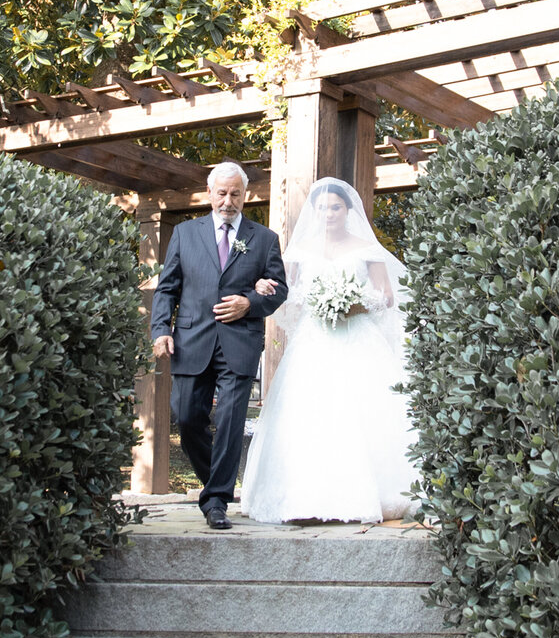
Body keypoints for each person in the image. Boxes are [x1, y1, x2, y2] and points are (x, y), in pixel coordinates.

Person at [239, 177, 416, 524]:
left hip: (357, 338)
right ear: (315, 212)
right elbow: (283, 292)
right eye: (322, 207)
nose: (329, 213)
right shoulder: (300, 251)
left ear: (347, 210)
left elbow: (386, 296)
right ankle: (304, 498)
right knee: (310, 412)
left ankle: (366, 494)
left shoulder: (366, 248)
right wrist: (267, 286)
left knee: (362, 409)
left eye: (335, 207)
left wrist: (356, 304)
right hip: (314, 341)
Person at [150, 161, 288, 530]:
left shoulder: (265, 239)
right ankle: (217, 482)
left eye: (235, 194)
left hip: (239, 342)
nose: (228, 201)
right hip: (191, 339)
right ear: (209, 194)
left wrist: (250, 303)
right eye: (222, 193)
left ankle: (216, 502)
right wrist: (161, 329)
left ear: (246, 196)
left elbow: (279, 289)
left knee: (229, 421)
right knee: (188, 415)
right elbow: (167, 288)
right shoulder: (184, 234)